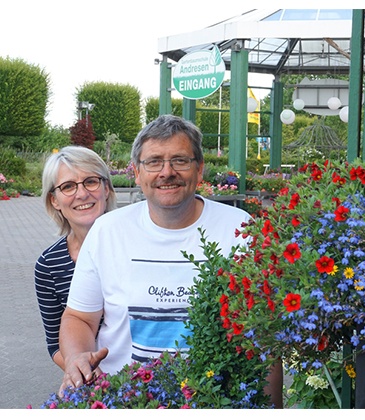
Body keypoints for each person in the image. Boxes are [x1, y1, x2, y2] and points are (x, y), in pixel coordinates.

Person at [58, 115, 283, 406]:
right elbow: (79, 318)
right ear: (137, 173)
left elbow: (263, 336)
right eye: (153, 162)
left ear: (200, 169)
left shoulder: (238, 229)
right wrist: (77, 355)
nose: (167, 172)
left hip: (219, 400)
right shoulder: (108, 231)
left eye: (180, 160)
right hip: (126, 398)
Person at [35, 145, 117, 371]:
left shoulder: (134, 245)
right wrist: (84, 371)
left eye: (91, 181)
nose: (82, 194)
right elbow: (54, 345)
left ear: (106, 189)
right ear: (54, 200)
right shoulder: (49, 265)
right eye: (68, 186)